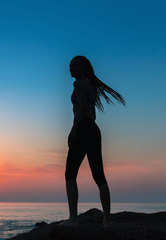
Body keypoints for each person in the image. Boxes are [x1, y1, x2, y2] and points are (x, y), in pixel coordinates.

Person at [64, 56, 125, 227]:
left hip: (83, 128)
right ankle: (107, 220)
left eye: (75, 65)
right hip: (93, 129)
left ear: (84, 68)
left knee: (70, 173)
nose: (71, 68)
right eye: (69, 66)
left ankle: (73, 219)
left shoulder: (78, 85)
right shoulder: (91, 86)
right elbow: (92, 112)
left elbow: (82, 108)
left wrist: (73, 130)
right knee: (99, 176)